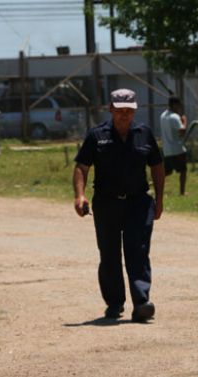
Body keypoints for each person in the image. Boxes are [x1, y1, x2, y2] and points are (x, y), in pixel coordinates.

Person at [73, 88, 165, 322]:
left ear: (134, 110)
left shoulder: (144, 133)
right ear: (111, 109)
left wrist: (160, 199)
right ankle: (115, 303)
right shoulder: (97, 135)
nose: (124, 114)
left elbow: (157, 166)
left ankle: (142, 302)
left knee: (138, 251)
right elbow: (82, 167)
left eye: (129, 110)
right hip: (107, 203)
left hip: (139, 202)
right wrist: (80, 196)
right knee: (110, 254)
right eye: (120, 110)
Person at [160, 96, 188, 195]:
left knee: (166, 172)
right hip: (178, 149)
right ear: (175, 105)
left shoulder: (163, 115)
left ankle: (157, 187)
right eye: (178, 105)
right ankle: (182, 192)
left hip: (167, 150)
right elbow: (182, 131)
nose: (179, 107)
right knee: (183, 171)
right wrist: (184, 120)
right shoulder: (175, 117)